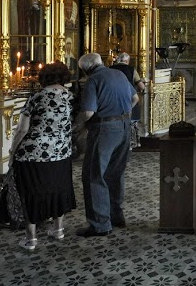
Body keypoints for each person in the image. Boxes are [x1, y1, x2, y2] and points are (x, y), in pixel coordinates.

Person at [8, 62, 77, 251]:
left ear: (43, 78)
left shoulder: (36, 97)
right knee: (58, 188)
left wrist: (13, 150)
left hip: (32, 154)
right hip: (61, 151)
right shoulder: (71, 97)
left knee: (31, 193)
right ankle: (59, 229)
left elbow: (22, 129)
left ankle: (31, 240)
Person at [75, 52, 138, 237]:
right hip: (125, 126)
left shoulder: (93, 81)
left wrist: (75, 126)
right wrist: (121, 113)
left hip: (104, 130)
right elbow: (135, 99)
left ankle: (100, 224)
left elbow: (88, 113)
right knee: (115, 173)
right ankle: (116, 216)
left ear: (86, 69)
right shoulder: (119, 74)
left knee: (94, 175)